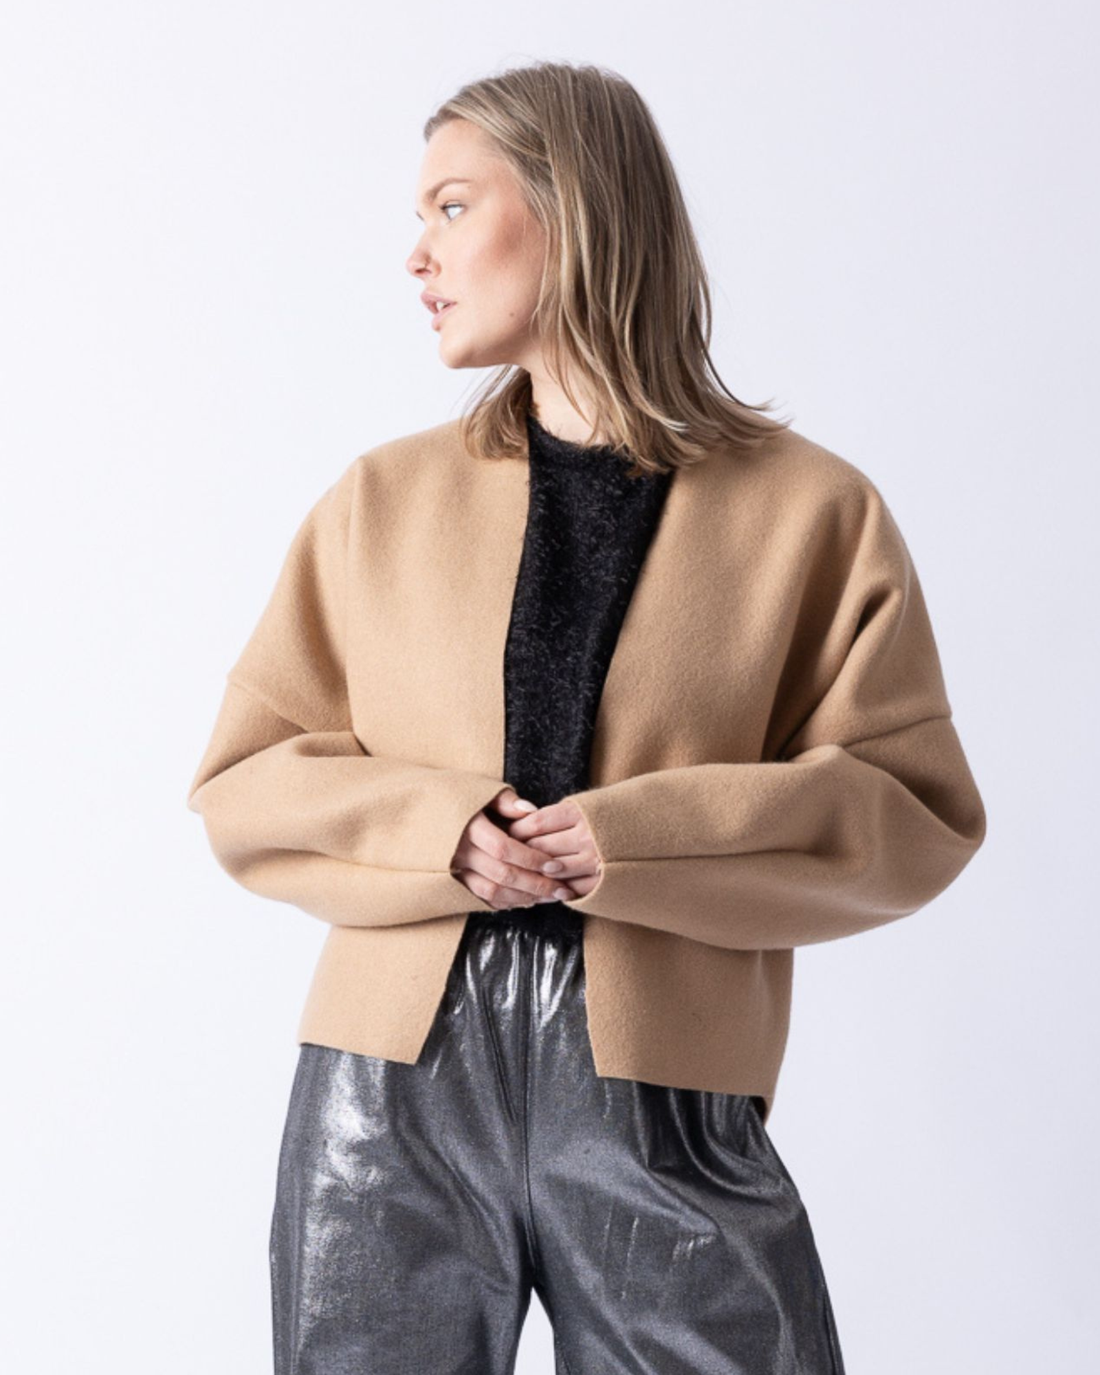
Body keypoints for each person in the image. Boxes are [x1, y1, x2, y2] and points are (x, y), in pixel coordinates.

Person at [186, 60, 987, 1375]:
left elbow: (914, 810)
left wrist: (645, 838)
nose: (416, 254)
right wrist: (441, 832)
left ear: (573, 211)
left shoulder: (810, 513)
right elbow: (245, 778)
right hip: (390, 1083)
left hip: (663, 1083)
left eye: (452, 206)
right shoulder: (379, 503)